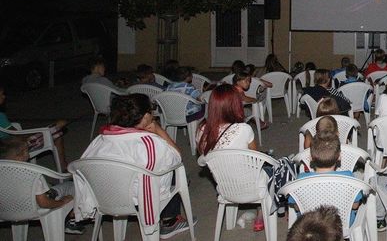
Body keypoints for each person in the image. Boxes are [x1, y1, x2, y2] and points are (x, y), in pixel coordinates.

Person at [77, 94, 193, 238]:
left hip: (105, 197)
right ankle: (170, 220)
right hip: (137, 198)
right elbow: (177, 157)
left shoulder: (99, 140)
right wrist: (158, 130)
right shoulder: (149, 143)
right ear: (146, 117)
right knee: (177, 172)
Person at [195, 84, 263, 230]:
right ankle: (261, 211)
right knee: (271, 165)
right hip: (249, 185)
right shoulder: (243, 129)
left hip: (224, 184)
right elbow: (255, 158)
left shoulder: (201, 130)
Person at [0, 136, 86, 234]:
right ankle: (71, 221)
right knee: (71, 187)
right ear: (22, 154)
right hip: (33, 209)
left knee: (48, 186)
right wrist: (62, 202)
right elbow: (44, 203)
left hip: (6, 210)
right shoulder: (31, 174)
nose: (28, 154)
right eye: (27, 151)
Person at [293, 132, 362, 226]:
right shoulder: (348, 177)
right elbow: (355, 205)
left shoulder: (301, 179)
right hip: (341, 225)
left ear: (310, 158)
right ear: (339, 157)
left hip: (309, 226)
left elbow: (297, 206)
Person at [0, 83, 70, 171]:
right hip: (13, 145)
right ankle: (63, 166)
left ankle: (63, 165)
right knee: (55, 130)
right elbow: (17, 134)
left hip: (7, 143)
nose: (4, 97)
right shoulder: (0, 116)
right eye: (1, 94)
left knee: (56, 134)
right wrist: (34, 133)